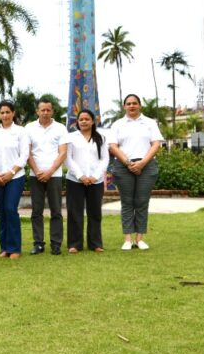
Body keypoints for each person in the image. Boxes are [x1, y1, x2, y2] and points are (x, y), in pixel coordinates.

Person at [108, 94, 163, 250]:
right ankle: (127, 239)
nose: (131, 106)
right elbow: (113, 146)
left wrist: (142, 163)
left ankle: (139, 239)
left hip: (147, 165)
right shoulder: (117, 124)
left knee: (142, 202)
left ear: (140, 105)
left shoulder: (150, 123)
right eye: (128, 103)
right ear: (124, 106)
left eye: (134, 103)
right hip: (123, 165)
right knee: (127, 202)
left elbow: (156, 144)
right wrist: (128, 163)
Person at [0, 100, 30, 259]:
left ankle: (15, 248)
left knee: (11, 209)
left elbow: (24, 155)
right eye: (2, 112)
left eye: (7, 112)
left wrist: (11, 172)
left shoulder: (20, 131)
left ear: (13, 113)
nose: (5, 115)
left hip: (15, 177)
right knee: (3, 211)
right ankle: (4, 247)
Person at [25, 98, 68, 255]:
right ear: (37, 111)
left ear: (52, 111)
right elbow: (27, 152)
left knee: (56, 210)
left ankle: (56, 244)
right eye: (42, 110)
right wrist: (37, 171)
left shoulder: (60, 128)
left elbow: (63, 153)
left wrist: (50, 171)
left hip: (54, 175)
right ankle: (38, 243)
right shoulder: (29, 128)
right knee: (37, 211)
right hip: (35, 175)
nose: (45, 112)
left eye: (48, 110)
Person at [65, 109, 108, 253]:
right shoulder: (71, 137)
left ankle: (95, 243)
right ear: (77, 122)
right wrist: (80, 175)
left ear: (92, 121)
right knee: (74, 212)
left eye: (87, 119)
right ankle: (74, 244)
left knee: (95, 212)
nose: (84, 121)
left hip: (96, 180)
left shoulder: (101, 138)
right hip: (75, 180)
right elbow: (68, 158)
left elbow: (105, 159)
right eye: (81, 119)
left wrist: (95, 176)